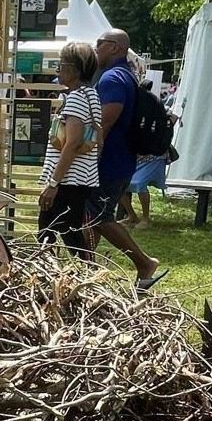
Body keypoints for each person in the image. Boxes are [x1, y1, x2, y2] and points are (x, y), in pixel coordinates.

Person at [92, 28, 165, 290]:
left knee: (97, 217)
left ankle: (144, 263)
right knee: (91, 215)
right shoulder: (126, 75)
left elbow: (104, 122)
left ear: (115, 48)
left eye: (99, 44)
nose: (95, 48)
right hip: (121, 160)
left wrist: (90, 155)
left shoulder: (112, 78)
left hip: (110, 161)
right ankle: (87, 269)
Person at [37, 40, 102, 259]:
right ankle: (75, 273)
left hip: (67, 181)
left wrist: (54, 183)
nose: (57, 70)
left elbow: (72, 143)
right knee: (61, 230)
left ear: (75, 69)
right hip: (78, 179)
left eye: (61, 64)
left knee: (55, 231)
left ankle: (83, 274)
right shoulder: (90, 95)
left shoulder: (75, 98)